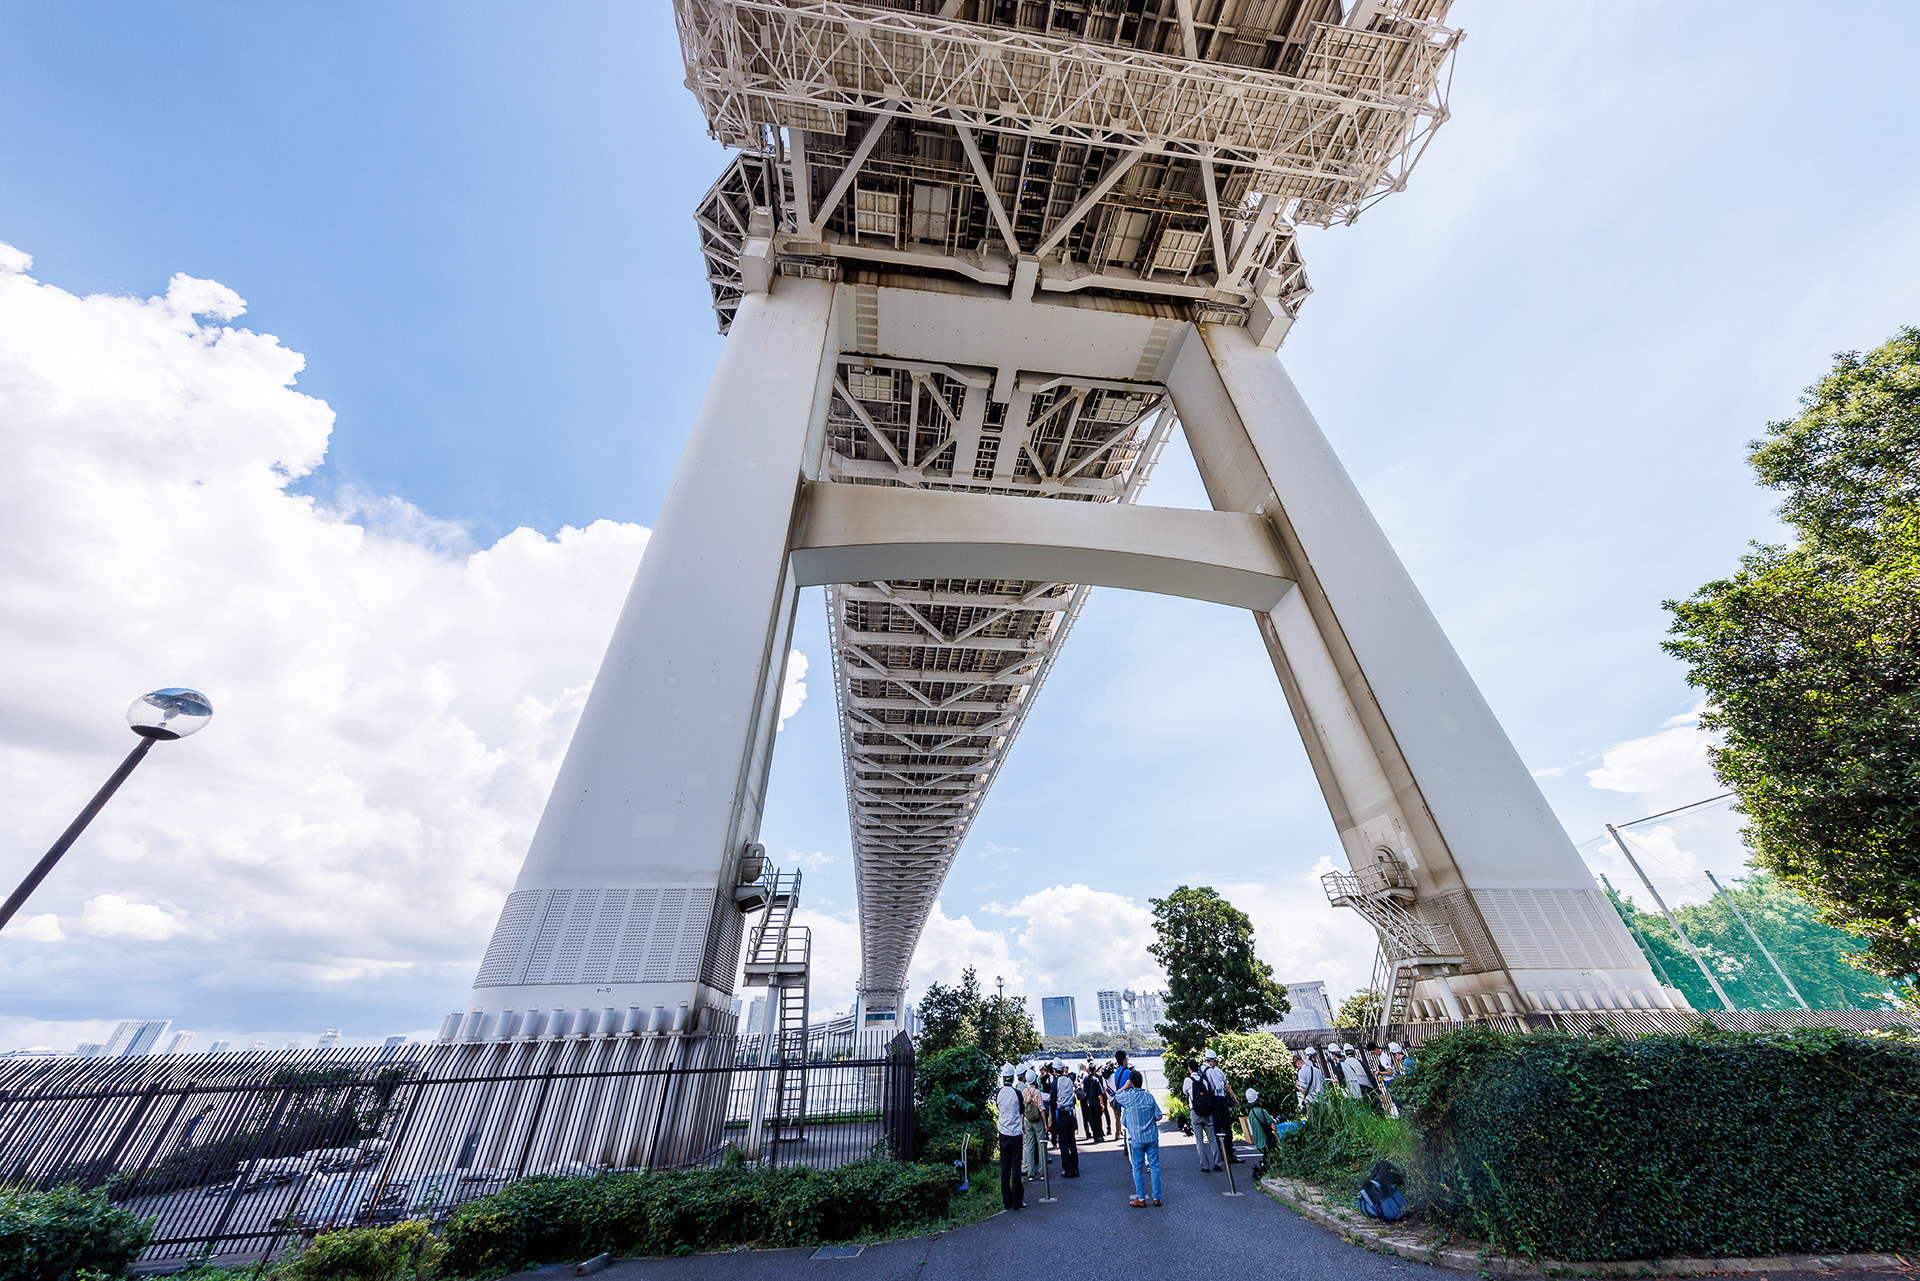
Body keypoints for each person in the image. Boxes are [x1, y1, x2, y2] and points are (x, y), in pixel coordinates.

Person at [1112, 1066, 1164, 1207]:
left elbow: (1117, 1095)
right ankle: (1156, 1198)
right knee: (1154, 1166)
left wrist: (1125, 1086)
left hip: (1137, 1138)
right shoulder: (1149, 1097)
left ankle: (1140, 1198)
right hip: (1152, 1137)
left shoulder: (1129, 1097)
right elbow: (1158, 1116)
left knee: (1137, 1167)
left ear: (1132, 1082)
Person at [1201, 1049, 1242, 1164]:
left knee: (1216, 1128)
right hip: (1219, 1100)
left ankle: (1220, 1154)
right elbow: (1220, 1086)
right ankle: (1230, 1154)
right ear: (1212, 1060)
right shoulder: (1214, 1071)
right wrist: (1234, 1098)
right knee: (1226, 1128)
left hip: (1210, 1103)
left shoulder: (1201, 1070)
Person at [994, 1063, 1025, 1211]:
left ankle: (1006, 1201)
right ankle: (1017, 1202)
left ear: (1002, 1078)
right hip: (1016, 1134)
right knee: (1016, 1168)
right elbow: (1022, 1109)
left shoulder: (998, 1093)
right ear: (1013, 1077)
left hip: (1003, 1134)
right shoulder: (1017, 1093)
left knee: (1005, 1168)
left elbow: (999, 1107)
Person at [1183, 1057, 1219, 1172]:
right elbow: (1210, 1090)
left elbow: (1185, 1092)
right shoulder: (1203, 1080)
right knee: (1212, 1138)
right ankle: (1218, 1162)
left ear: (1189, 1069)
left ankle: (1205, 1165)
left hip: (1195, 1112)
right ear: (1198, 1068)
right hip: (1207, 1112)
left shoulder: (1188, 1081)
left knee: (1200, 1140)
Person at [1048, 1058, 1080, 1176]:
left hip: (1061, 1116)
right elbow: (1073, 1075)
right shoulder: (1069, 1080)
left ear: (1055, 1071)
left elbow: (1052, 1099)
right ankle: (1076, 1168)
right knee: (1072, 1142)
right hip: (1070, 1114)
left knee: (1064, 1144)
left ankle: (1067, 1169)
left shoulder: (1055, 1083)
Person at [1020, 1068, 1047, 1180]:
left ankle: (1030, 1173)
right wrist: (1045, 1124)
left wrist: (1022, 1123)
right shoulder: (1037, 1092)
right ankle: (1042, 1171)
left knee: (1030, 1146)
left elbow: (1022, 1110)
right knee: (1041, 1146)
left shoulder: (1024, 1092)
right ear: (1035, 1080)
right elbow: (1041, 1108)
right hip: (1037, 1121)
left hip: (1027, 1121)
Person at [1081, 1065, 1107, 1143]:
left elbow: (1084, 1090)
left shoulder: (1086, 1079)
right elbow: (1100, 1093)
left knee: (1091, 1118)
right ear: (1095, 1070)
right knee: (1098, 1119)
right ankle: (1098, 1135)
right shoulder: (1096, 1080)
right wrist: (1102, 1104)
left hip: (1089, 1101)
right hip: (1096, 1102)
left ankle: (1095, 1135)